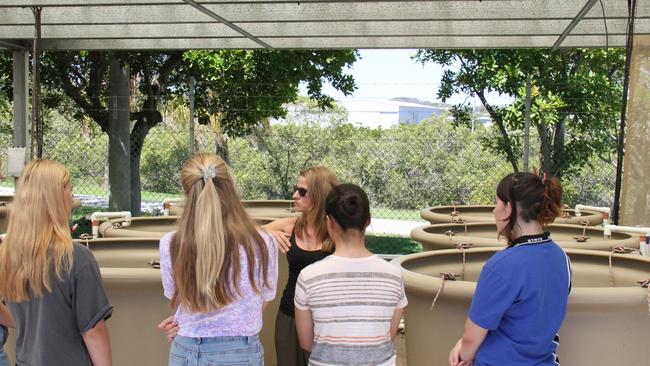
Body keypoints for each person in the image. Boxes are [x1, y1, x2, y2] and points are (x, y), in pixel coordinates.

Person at [158, 153, 278, 366]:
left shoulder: (171, 243)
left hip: (186, 348)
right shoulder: (263, 242)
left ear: (187, 191)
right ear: (230, 186)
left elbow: (177, 297)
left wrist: (187, 321)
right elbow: (264, 298)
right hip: (240, 351)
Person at [449, 172, 571, 366]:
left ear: (509, 208)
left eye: (497, 203)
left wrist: (463, 352)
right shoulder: (562, 258)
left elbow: (472, 337)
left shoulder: (501, 266)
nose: (493, 211)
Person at [0, 159, 113, 366]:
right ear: (56, 197)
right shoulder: (77, 258)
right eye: (70, 190)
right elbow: (93, 331)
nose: (73, 197)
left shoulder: (7, 255)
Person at [294, 183, 407, 366]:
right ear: (368, 220)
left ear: (329, 222)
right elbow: (389, 336)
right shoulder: (393, 275)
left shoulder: (308, 277)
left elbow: (306, 342)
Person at [262, 166, 339, 366]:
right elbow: (244, 233)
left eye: (302, 191)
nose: (295, 195)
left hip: (327, 320)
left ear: (319, 195)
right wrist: (268, 234)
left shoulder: (337, 231)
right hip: (289, 315)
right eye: (296, 189)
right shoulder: (291, 225)